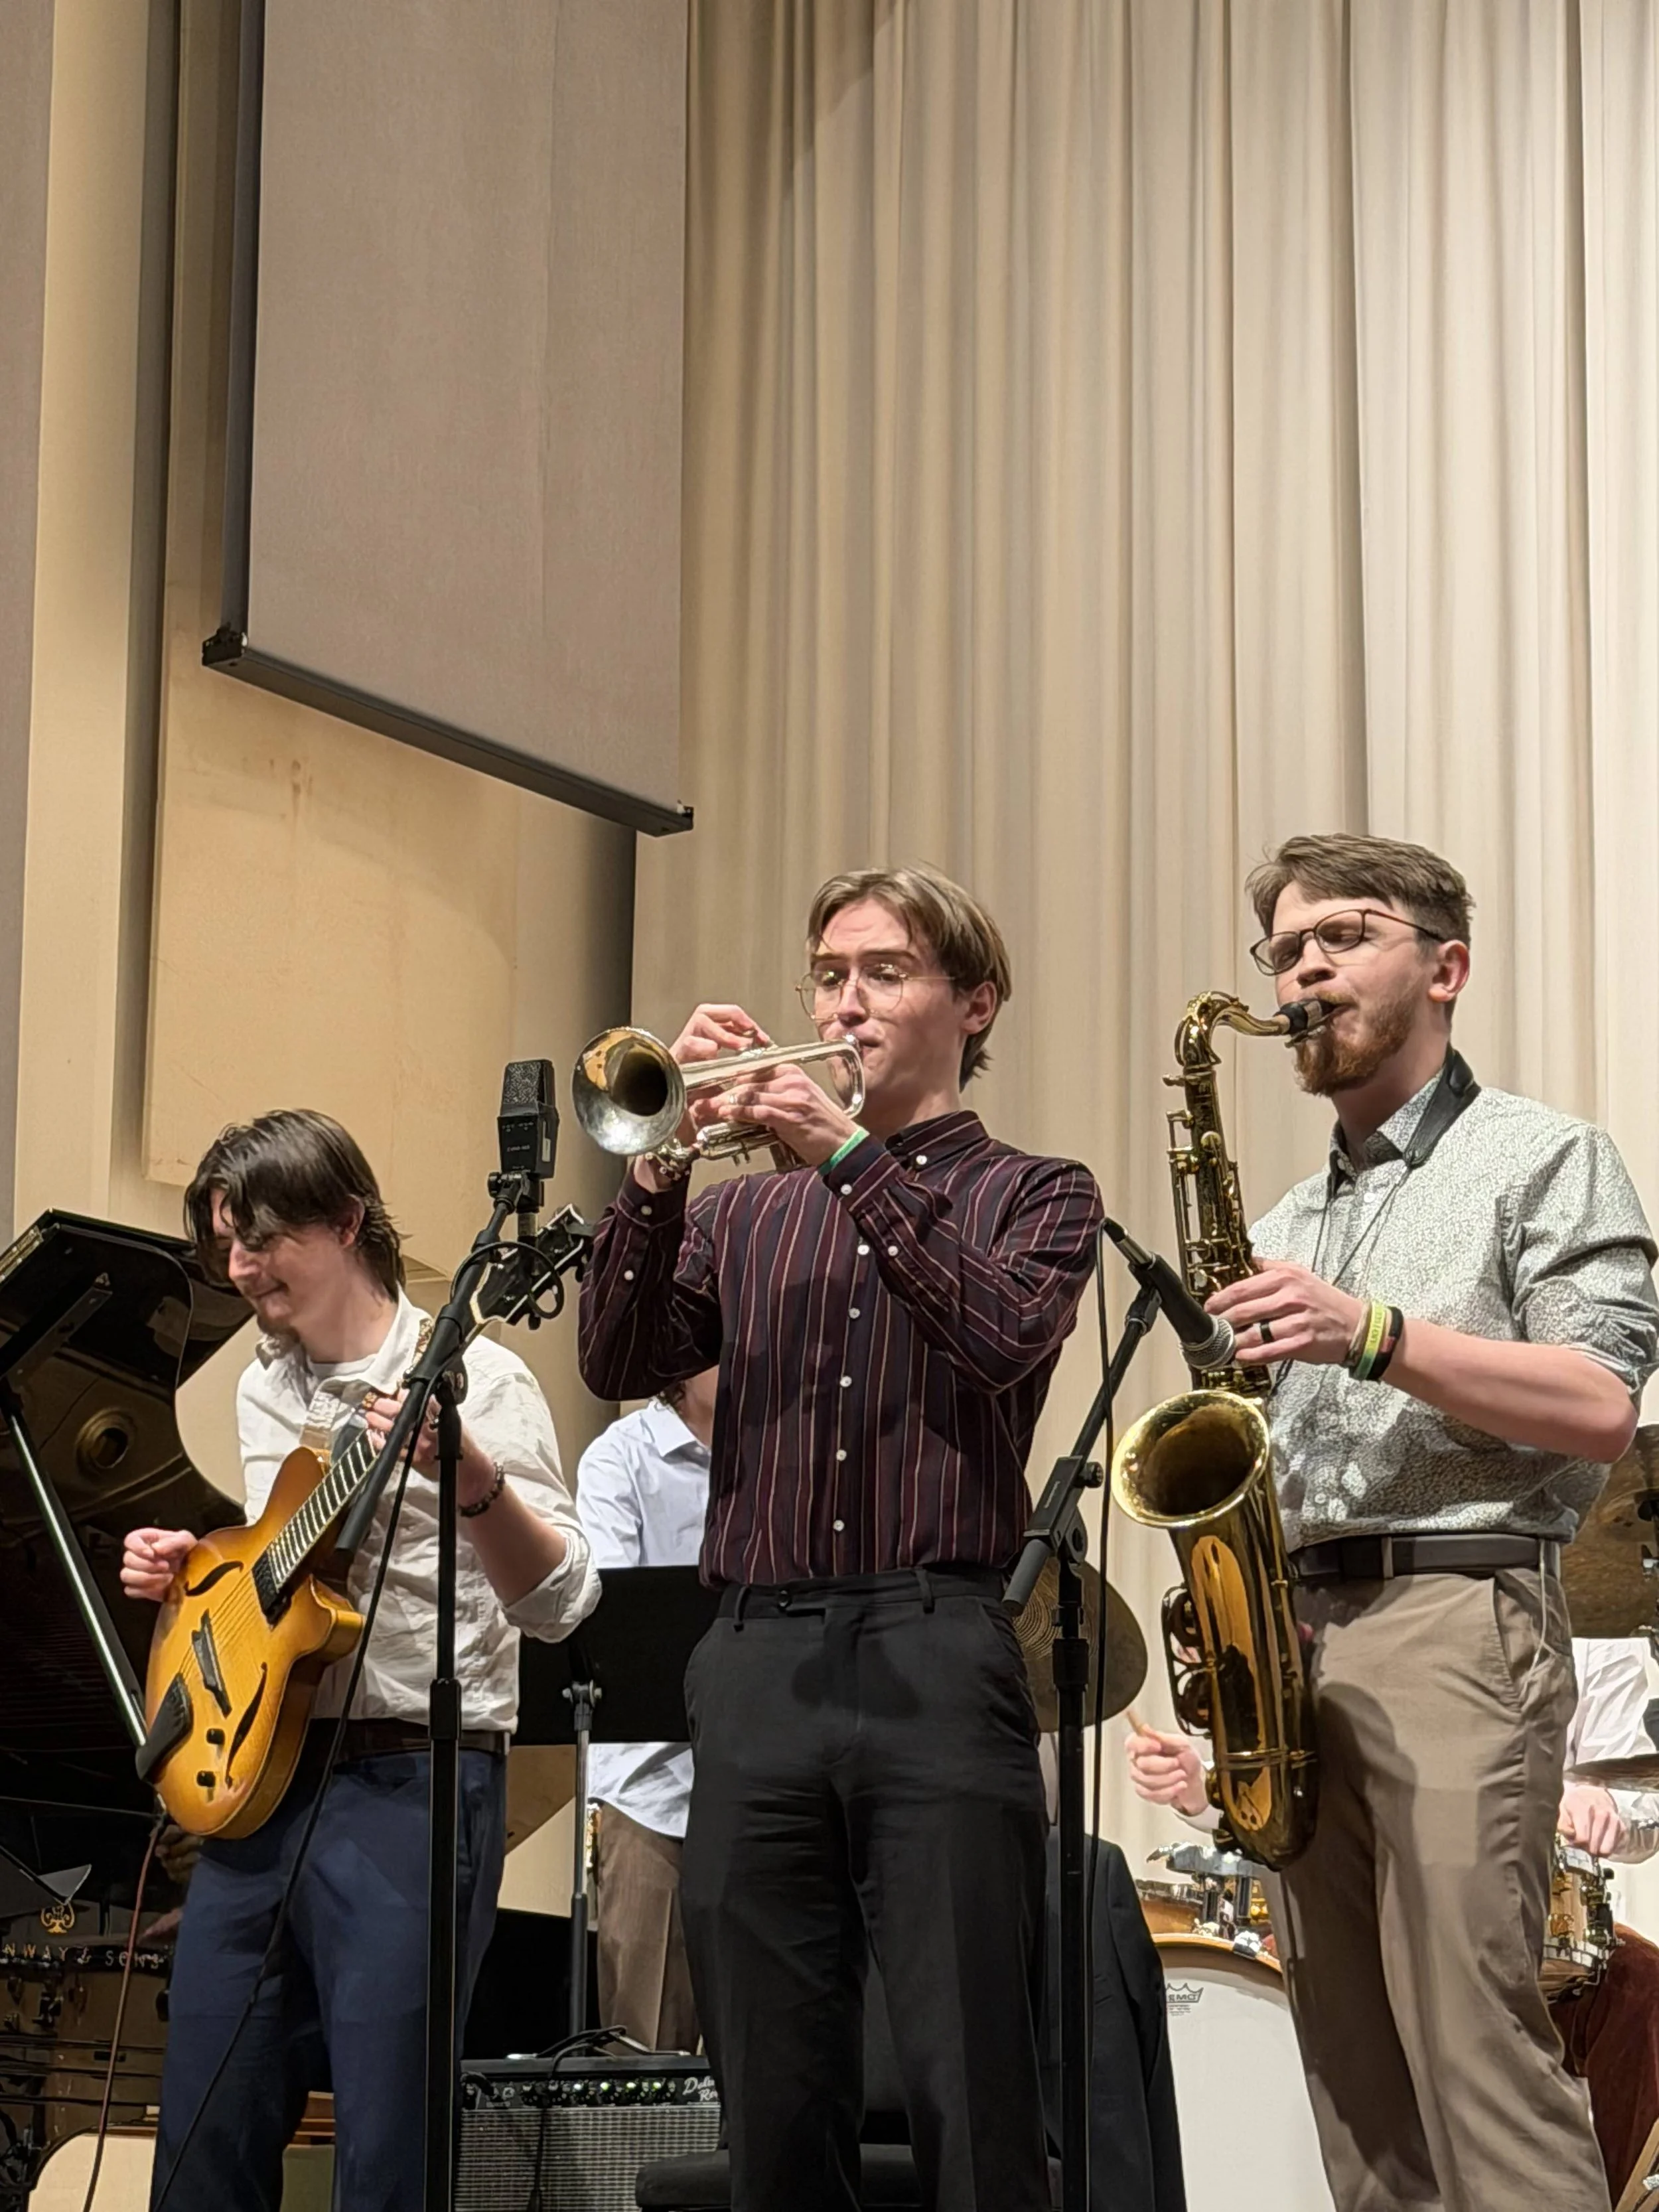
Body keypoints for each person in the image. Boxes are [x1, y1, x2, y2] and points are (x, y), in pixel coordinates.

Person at [579, 862, 1103, 2212]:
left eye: (881, 972)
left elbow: (994, 1335)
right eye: (826, 974)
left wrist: (848, 1157)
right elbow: (618, 1350)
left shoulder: (1036, 1194)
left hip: (935, 1646)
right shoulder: (740, 1211)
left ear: (971, 1001)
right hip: (753, 1657)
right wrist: (657, 1166)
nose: (843, 1001)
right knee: (767, 2092)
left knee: (969, 2086)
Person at [1196, 833, 1659, 2212]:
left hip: (1459, 1614)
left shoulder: (1543, 1157)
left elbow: (1593, 1400)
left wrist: (1371, 1332)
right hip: (1295, 1642)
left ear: (1443, 967)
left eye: (1339, 935)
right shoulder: (1279, 1217)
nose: (1302, 970)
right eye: (1281, 950)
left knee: (1474, 2051)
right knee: (1349, 2072)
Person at [121, 1110, 598, 2212]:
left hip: (411, 1786)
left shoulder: (485, 1380)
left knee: (387, 2151)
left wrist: (467, 1471)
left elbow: (564, 1600)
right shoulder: (262, 1384)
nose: (239, 1269)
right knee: (201, 2133)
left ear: (345, 1221)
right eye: (225, 1245)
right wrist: (204, 1565)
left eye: (262, 1239)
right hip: (264, 1795)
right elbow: (286, 1565)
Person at [1127, 1637, 1659, 2197]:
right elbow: (1302, 1786)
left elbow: (1640, 1803)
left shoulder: (1600, 1642)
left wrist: (1604, 1804)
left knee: (1641, 1986)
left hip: (1539, 1934)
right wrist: (1207, 1789)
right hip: (1381, 1916)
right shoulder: (1371, 1626)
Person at [577, 1367, 717, 2051]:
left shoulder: (788, 1453)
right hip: (654, 1790)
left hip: (772, 1785)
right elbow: (620, 1620)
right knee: (645, 2049)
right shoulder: (622, 1456)